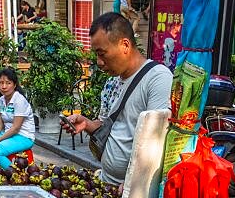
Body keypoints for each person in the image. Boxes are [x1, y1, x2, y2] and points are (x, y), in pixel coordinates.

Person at [64, 12, 172, 186]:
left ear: (125, 45)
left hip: (133, 192)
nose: (99, 62)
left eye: (102, 53)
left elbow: (156, 142)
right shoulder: (111, 82)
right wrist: (86, 124)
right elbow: (108, 125)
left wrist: (133, 184)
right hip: (108, 184)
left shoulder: (158, 78)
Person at [0, 67, 35, 168]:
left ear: (14, 85)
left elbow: (16, 128)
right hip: (9, 135)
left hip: (24, 137)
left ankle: (15, 175)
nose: (4, 86)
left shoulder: (19, 100)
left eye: (8, 83)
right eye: (1, 83)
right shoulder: (1, 100)